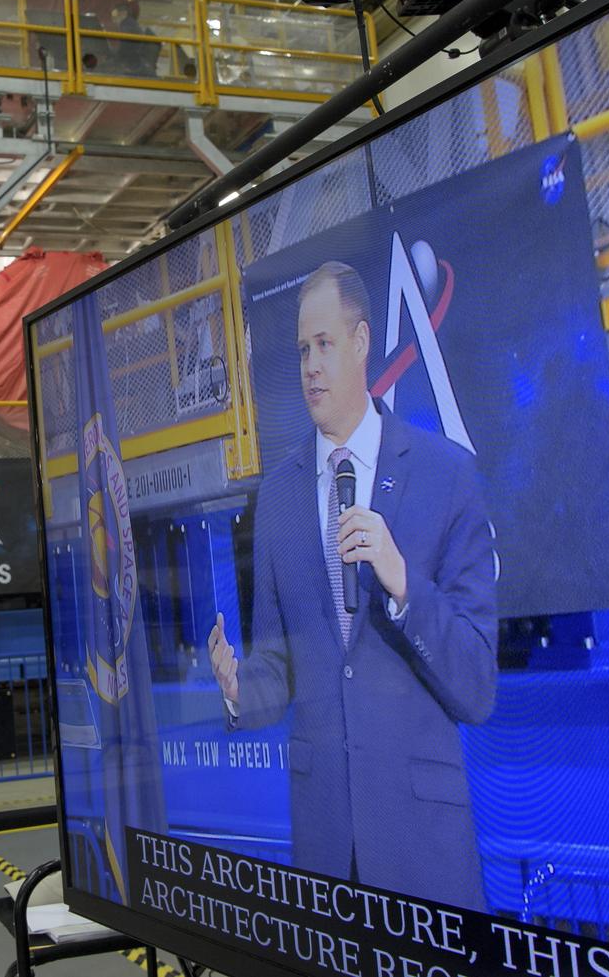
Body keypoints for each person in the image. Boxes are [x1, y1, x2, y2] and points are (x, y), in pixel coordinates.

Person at [207, 260, 498, 909]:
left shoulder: (444, 475)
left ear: (362, 341)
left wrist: (401, 583)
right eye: (302, 349)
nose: (310, 364)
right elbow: (280, 663)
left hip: (421, 848)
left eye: (325, 344)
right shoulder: (279, 495)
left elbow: (477, 685)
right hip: (326, 852)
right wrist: (237, 688)